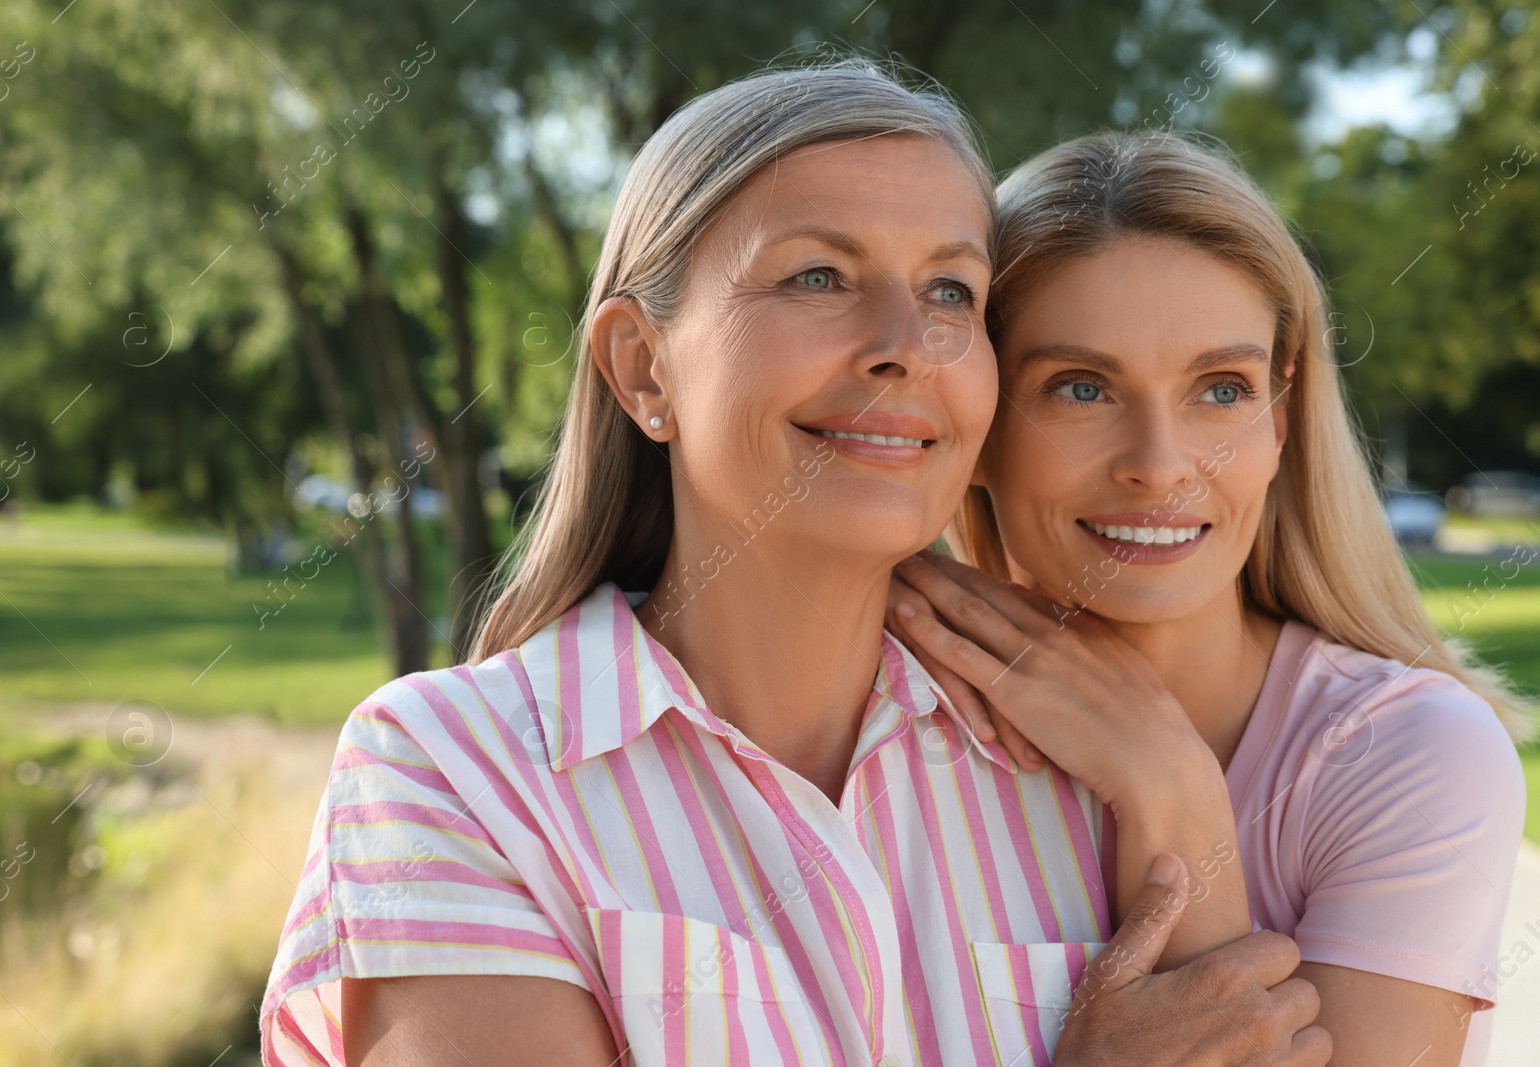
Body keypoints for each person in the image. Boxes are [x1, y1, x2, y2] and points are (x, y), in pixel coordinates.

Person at [260, 68, 1329, 1066]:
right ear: (643, 368)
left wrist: (1177, 787)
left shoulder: (1084, 759)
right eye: (819, 275)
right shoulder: (454, 775)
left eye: (952, 291)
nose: (906, 344)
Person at [886, 129, 1532, 1066]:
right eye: (1081, 386)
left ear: (1280, 418)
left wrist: (1177, 796)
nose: (1158, 464)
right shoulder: (887, 720)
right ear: (981, 420)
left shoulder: (1405, 754)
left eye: (1221, 390)